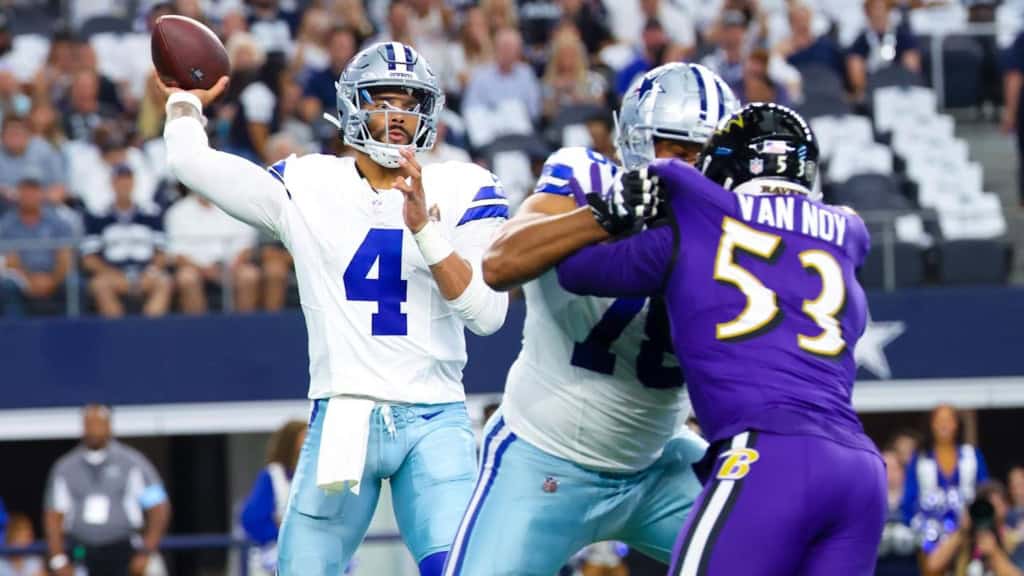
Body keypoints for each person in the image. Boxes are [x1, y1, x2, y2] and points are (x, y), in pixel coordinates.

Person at [158, 40, 510, 575]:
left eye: (410, 101)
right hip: (346, 412)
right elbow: (192, 161)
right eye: (382, 99)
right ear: (352, 105)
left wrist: (425, 231)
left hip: (436, 413)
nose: (397, 115)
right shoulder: (310, 183)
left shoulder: (465, 185)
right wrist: (184, 102)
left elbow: (487, 316)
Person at [556, 102, 887, 575]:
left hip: (770, 454)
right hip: (859, 470)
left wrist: (602, 209)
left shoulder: (697, 210)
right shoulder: (844, 232)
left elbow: (576, 270)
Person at [446, 63, 737, 575]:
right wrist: (602, 214)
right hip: (542, 459)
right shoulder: (587, 177)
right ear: (638, 141)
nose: (692, 167)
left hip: (659, 466)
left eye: (705, 152)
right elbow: (499, 265)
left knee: (778, 556)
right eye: (678, 148)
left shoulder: (733, 231)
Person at [43, 405, 170, 576]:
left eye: (99, 423)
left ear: (109, 426)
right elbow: (53, 516)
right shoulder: (65, 468)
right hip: (81, 550)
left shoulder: (133, 463)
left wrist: (146, 551)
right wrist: (58, 560)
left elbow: (159, 507)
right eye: (90, 423)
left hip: (123, 549)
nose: (94, 429)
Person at [902, 404, 989, 570]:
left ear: (957, 424)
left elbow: (984, 491)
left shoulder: (972, 455)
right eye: (939, 420)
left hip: (968, 532)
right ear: (931, 425)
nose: (944, 425)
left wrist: (976, 519)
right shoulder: (920, 458)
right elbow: (909, 498)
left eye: (949, 420)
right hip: (928, 534)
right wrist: (916, 528)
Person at [241, 420, 307, 576]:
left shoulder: (314, 477)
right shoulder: (272, 476)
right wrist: (286, 532)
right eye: (305, 436)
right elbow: (252, 519)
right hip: (275, 553)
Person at [924, 481, 1023, 576]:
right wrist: (961, 531)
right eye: (987, 507)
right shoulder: (964, 538)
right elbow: (933, 565)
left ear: (1007, 507)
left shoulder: (1013, 540)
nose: (992, 514)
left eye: (997, 506)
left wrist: (994, 553)